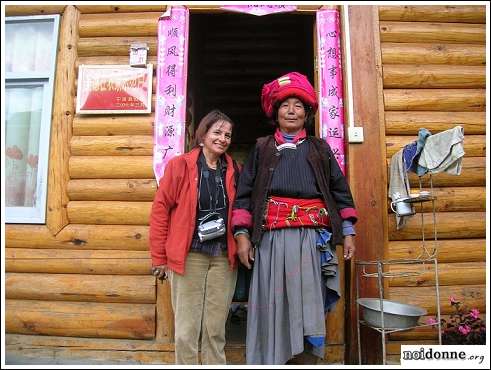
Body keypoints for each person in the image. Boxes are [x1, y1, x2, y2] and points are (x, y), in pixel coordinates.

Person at [232, 72, 358, 365]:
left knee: (307, 302)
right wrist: (242, 236)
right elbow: (244, 194)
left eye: (298, 105)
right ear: (275, 113)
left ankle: (304, 360)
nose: (291, 110)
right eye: (285, 105)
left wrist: (348, 230)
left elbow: (339, 191)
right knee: (271, 301)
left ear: (307, 113)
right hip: (270, 239)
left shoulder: (319, 149)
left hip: (310, 240)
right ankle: (271, 358)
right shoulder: (262, 148)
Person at [149, 109, 239, 364]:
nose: (223, 138)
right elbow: (160, 211)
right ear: (203, 134)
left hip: (223, 256)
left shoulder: (234, 169)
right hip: (190, 255)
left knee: (216, 327)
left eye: (228, 135)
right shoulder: (180, 165)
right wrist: (159, 257)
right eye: (217, 132)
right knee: (187, 327)